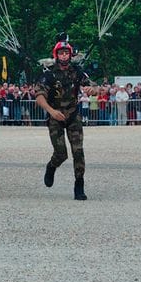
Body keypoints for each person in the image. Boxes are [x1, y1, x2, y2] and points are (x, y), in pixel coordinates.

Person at [34, 38, 91, 200]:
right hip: (55, 116)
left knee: (78, 151)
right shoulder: (49, 74)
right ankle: (51, 166)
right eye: (61, 53)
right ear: (56, 55)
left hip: (73, 116)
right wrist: (51, 111)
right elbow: (39, 96)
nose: (64, 56)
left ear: (71, 55)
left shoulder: (77, 72)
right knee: (61, 153)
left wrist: (93, 89)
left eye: (67, 53)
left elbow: (93, 86)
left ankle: (79, 185)